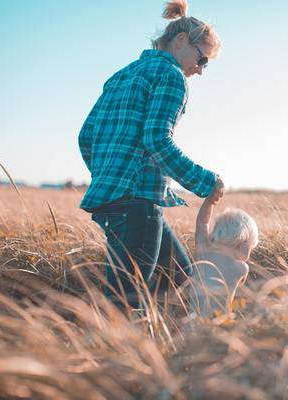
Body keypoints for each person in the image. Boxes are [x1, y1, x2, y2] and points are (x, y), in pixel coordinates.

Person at [78, 0, 222, 308]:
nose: (200, 70)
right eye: (203, 60)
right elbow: (157, 140)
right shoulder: (172, 77)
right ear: (182, 41)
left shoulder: (121, 75)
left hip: (114, 200)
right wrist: (206, 182)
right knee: (125, 303)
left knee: (182, 282)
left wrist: (109, 177)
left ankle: (181, 350)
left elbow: (86, 137)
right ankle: (112, 354)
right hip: (137, 203)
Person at [188, 184, 259, 318]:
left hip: (192, 321)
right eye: (251, 247)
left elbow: (202, 223)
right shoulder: (241, 268)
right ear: (244, 244)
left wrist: (209, 202)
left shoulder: (204, 252)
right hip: (218, 324)